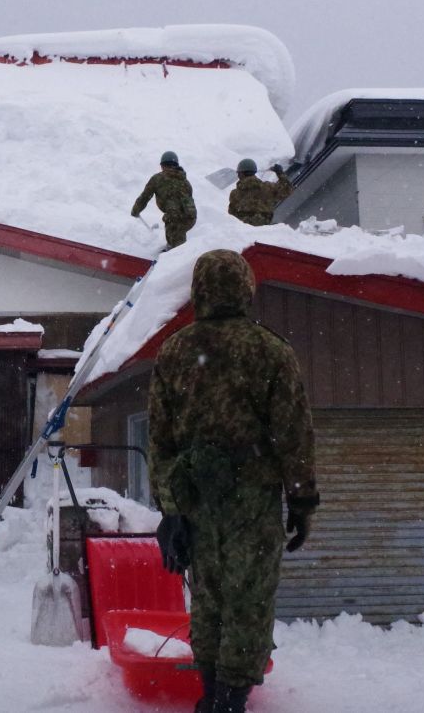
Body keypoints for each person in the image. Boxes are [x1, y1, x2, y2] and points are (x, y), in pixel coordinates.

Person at [147, 250, 318, 713]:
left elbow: (159, 438)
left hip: (195, 500)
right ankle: (231, 700)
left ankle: (210, 696)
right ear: (246, 288)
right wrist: (301, 501)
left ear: (198, 291)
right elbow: (294, 433)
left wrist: (170, 509)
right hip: (253, 499)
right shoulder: (271, 351)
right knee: (248, 598)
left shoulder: (175, 351)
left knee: (208, 597)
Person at [132, 150, 197, 249]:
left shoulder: (158, 179)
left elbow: (145, 197)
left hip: (174, 217)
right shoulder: (185, 181)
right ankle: (176, 252)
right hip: (191, 217)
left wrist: (135, 210)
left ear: (162, 165)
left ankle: (174, 257)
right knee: (178, 239)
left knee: (176, 248)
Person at [227, 158, 292, 226]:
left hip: (243, 230)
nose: (238, 175)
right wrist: (280, 173)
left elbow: (232, 216)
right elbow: (287, 190)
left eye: (238, 173)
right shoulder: (268, 188)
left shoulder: (235, 194)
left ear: (242, 174)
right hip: (263, 230)